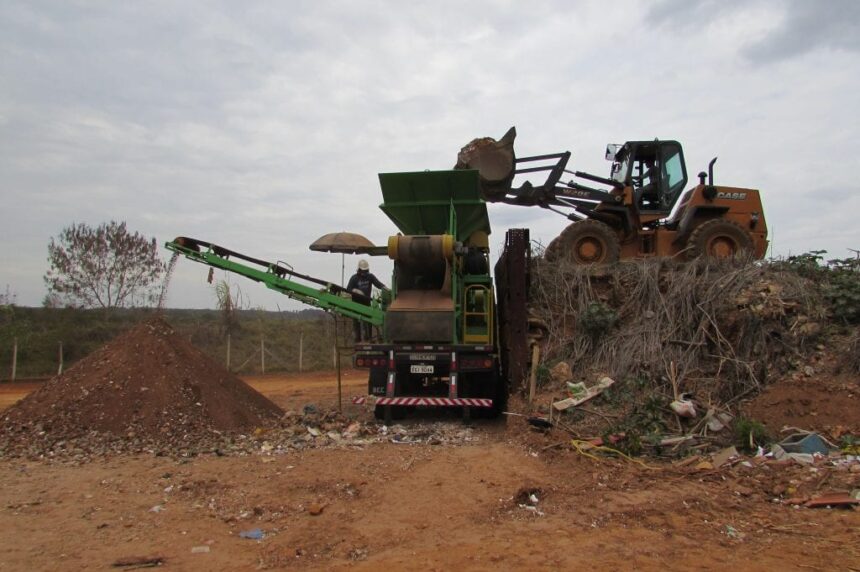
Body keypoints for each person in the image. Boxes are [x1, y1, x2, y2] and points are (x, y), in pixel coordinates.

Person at [346, 259, 388, 342]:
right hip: (356, 304)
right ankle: (357, 339)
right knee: (356, 323)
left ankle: (368, 338)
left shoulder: (370, 277)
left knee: (368, 322)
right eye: (363, 270)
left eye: (366, 270)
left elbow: (378, 284)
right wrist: (356, 291)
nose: (364, 272)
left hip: (366, 303)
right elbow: (348, 289)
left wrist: (386, 288)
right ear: (359, 269)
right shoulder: (354, 278)